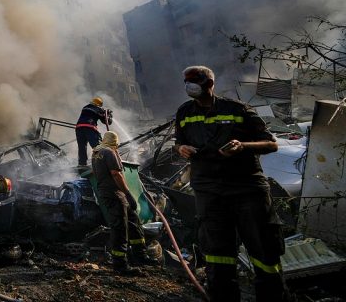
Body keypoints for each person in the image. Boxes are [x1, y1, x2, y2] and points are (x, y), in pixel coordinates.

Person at [174, 65, 289, 301]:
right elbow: (178, 143)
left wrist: (242, 146)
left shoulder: (237, 109)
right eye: (186, 81)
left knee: (263, 250)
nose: (189, 85)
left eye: (194, 80)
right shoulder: (184, 112)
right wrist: (180, 149)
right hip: (209, 191)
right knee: (217, 254)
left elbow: (271, 144)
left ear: (210, 83)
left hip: (247, 189)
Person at [92, 131, 156, 273]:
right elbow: (116, 174)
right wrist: (128, 194)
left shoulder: (97, 152)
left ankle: (141, 256)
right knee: (120, 228)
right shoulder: (109, 152)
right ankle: (120, 265)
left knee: (133, 222)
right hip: (114, 194)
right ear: (115, 142)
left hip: (111, 193)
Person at [76, 97, 112, 166]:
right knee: (98, 146)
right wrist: (108, 114)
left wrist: (106, 114)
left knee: (82, 147)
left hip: (79, 128)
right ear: (99, 104)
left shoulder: (85, 107)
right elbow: (107, 121)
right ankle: (102, 162)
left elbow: (104, 120)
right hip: (89, 128)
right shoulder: (98, 109)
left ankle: (82, 164)